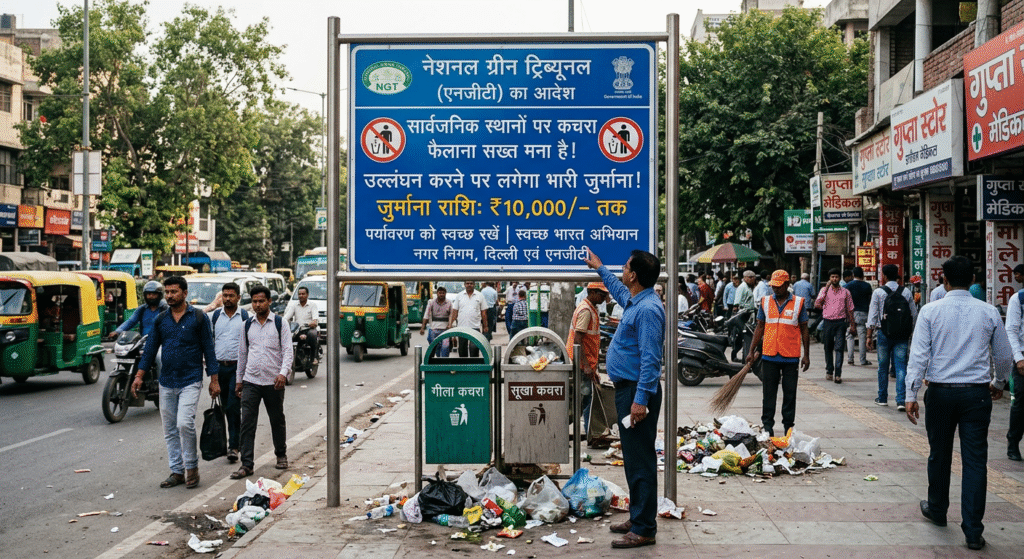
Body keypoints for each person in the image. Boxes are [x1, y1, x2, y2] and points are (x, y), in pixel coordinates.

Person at [905, 255, 1011, 551]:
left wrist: (910, 394)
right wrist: (999, 383)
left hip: (940, 392)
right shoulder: (989, 312)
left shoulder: (930, 310)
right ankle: (973, 531)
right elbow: (1003, 356)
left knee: (939, 453)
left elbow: (919, 355)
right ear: (973, 280)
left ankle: (938, 510)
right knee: (975, 461)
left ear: (944, 279)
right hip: (976, 394)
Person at [583, 248, 664, 549]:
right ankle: (638, 515)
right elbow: (617, 290)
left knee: (641, 461)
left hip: (636, 392)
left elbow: (651, 361)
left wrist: (640, 400)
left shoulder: (648, 310)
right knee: (632, 459)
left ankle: (644, 528)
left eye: (626, 266)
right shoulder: (636, 300)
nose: (622, 270)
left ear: (635, 274)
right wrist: (600, 268)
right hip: (628, 389)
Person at [134, 276, 219, 489]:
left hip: (190, 379)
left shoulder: (199, 318)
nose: (170, 296)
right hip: (166, 381)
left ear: (185, 293)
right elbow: (151, 349)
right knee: (170, 428)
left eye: (174, 292)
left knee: (184, 423)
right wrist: (138, 376)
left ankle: (192, 467)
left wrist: (214, 380)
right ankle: (176, 471)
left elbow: (209, 350)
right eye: (168, 292)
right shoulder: (161, 319)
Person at [230, 285, 293, 479]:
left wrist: (283, 374)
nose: (257, 305)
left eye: (261, 301)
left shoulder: (280, 323)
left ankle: (281, 454)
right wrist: (239, 381)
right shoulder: (247, 325)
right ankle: (246, 464)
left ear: (269, 302)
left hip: (274, 382)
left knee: (276, 419)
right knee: (247, 422)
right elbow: (242, 354)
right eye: (255, 301)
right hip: (251, 381)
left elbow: (288, 352)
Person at [746, 270, 810, 437]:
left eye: (779, 286)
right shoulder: (765, 302)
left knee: (790, 394)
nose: (775, 289)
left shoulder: (798, 303)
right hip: (769, 355)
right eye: (773, 286)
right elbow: (759, 327)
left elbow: (804, 329)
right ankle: (767, 426)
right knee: (768, 394)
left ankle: (788, 427)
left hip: (790, 356)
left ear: (787, 285)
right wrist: (751, 351)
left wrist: (806, 355)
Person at [867, 264, 917, 410]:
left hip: (884, 332)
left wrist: (869, 336)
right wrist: (911, 332)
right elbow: (913, 314)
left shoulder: (878, 292)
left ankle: (882, 398)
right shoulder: (906, 292)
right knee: (901, 367)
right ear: (897, 275)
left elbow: (873, 315)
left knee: (883, 367)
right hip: (902, 334)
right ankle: (901, 400)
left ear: (884, 276)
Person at [209, 282, 248, 464]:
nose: (228, 299)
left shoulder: (245, 317)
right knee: (223, 407)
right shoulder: (216, 316)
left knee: (233, 406)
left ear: (238, 298)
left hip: (237, 368)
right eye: (225, 295)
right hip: (219, 368)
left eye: (231, 296)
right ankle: (224, 443)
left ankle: (234, 446)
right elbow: (209, 343)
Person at [566, 281, 609, 439]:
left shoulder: (592, 308)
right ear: (592, 292)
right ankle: (589, 434)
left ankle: (588, 432)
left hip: (585, 363)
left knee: (584, 400)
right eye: (602, 295)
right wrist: (586, 366)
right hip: (582, 364)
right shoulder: (585, 310)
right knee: (585, 400)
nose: (605, 298)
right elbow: (578, 339)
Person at [814, 268, 855, 383]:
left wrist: (852, 325)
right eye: (832, 277)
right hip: (827, 322)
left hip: (841, 322)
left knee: (839, 348)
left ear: (839, 278)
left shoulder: (846, 292)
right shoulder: (824, 290)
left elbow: (850, 310)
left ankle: (838, 373)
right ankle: (829, 370)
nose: (834, 279)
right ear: (829, 278)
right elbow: (817, 304)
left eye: (836, 277)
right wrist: (826, 288)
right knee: (828, 347)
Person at [1003, 263, 1024, 462]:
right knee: (1020, 402)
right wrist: (1018, 358)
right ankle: (1013, 442)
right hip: (1023, 359)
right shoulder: (1018, 299)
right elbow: (1011, 330)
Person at [449, 281, 488, 357]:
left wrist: (485, 326)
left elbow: (484, 313)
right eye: (467, 283)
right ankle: (464, 368)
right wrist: (450, 324)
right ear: (464, 285)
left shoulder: (480, 295)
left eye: (471, 283)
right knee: (462, 350)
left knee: (474, 348)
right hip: (462, 327)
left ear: (474, 284)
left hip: (475, 327)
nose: (469, 285)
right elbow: (455, 312)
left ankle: (473, 367)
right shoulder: (459, 296)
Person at [283, 286, 319, 367]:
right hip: (297, 330)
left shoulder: (312, 305)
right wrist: (281, 321)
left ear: (307, 295)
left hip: (309, 329)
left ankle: (314, 357)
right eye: (299, 294)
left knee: (312, 335)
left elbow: (315, 319)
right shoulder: (294, 305)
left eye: (303, 294)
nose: (301, 295)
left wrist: (313, 323)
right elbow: (286, 317)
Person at [844, 266, 873, 366]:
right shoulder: (867, 286)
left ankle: (850, 359)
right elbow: (870, 300)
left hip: (851, 313)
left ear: (853, 275)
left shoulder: (847, 286)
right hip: (864, 313)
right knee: (862, 337)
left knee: (850, 335)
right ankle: (862, 360)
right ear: (862, 275)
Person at [727, 270, 758, 362]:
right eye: (751, 278)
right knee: (747, 336)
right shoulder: (742, 287)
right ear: (746, 278)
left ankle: (735, 355)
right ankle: (745, 359)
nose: (753, 280)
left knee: (742, 336)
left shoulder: (748, 287)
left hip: (749, 315)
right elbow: (736, 304)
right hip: (742, 315)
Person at [421, 286, 452, 357]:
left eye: (443, 293)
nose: (441, 294)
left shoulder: (449, 303)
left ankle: (444, 364)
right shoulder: (431, 302)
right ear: (437, 293)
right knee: (433, 344)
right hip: (434, 329)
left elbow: (451, 315)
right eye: (440, 293)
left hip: (445, 329)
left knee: (445, 346)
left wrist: (450, 325)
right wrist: (422, 327)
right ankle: (438, 359)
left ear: (445, 294)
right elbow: (426, 315)